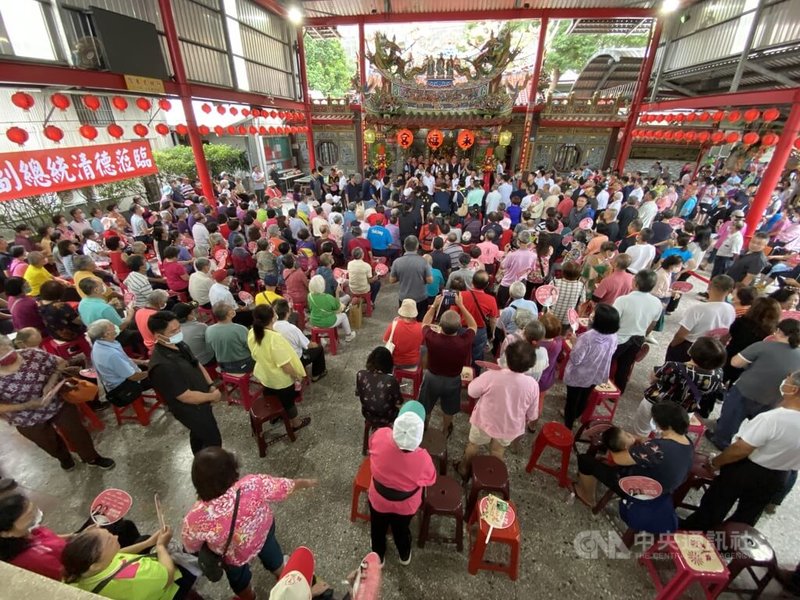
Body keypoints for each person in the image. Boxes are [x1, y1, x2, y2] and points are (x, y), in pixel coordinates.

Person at [182, 447, 317, 600]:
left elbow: (190, 546)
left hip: (233, 555)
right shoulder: (253, 484)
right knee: (274, 557)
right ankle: (284, 582)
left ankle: (249, 597)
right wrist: (303, 483)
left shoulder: (194, 518)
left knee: (239, 580)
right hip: (262, 534)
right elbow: (283, 487)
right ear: (232, 470)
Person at [681, 370, 800, 531]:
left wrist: (715, 462)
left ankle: (693, 533)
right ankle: (724, 545)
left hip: (746, 470)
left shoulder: (774, 419)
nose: (784, 380)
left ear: (794, 390)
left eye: (788, 379)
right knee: (747, 515)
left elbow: (741, 449)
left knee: (716, 504)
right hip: (778, 476)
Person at [0, 335, 114, 470]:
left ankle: (92, 457)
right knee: (48, 442)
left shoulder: (31, 354)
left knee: (77, 431)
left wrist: (51, 381)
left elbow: (60, 362)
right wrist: (27, 405)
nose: (4, 353)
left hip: (56, 401)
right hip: (24, 416)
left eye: (4, 347)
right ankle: (64, 458)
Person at [573, 402, 694, 507]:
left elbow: (619, 459)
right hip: (662, 491)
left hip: (640, 491)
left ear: (666, 425)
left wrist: (610, 442)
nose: (654, 424)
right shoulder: (687, 442)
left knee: (585, 461)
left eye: (656, 421)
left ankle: (588, 498)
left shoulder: (657, 449)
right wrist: (634, 438)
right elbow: (649, 443)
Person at [709, 318, 800, 449]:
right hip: (775, 398)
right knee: (758, 424)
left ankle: (721, 441)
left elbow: (735, 362)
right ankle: (747, 443)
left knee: (731, 417)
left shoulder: (763, 346)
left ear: (779, 331)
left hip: (746, 390)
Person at [367, 400, 437, 564]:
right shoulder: (423, 458)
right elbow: (430, 479)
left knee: (377, 527)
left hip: (378, 498)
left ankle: (378, 555)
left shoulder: (380, 435)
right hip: (406, 505)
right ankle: (404, 554)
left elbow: (371, 448)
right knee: (401, 530)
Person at [458, 341, 540, 477]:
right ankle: (491, 475)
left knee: (473, 445)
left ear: (506, 357)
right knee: (497, 451)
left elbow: (472, 392)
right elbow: (532, 414)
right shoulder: (532, 385)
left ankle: (464, 468)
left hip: (484, 421)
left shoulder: (491, 375)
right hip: (509, 426)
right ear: (530, 366)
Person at [147, 310, 222, 454]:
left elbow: (196, 363)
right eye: (173, 331)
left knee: (198, 434)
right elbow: (184, 396)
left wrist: (211, 385)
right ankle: (212, 469)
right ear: (158, 336)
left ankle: (198, 454)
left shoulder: (179, 344)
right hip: (191, 410)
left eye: (179, 328)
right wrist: (212, 397)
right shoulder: (162, 365)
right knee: (213, 440)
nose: (178, 333)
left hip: (203, 400)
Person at [62, 523, 195, 599]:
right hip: (168, 591)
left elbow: (117, 554)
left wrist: (148, 543)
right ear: (95, 566)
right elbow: (168, 574)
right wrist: (160, 546)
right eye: (109, 540)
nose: (116, 537)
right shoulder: (138, 576)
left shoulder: (76, 575)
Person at [633, 336, 726, 438]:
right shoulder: (718, 375)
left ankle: (638, 447)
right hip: (684, 411)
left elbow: (653, 378)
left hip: (656, 403)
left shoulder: (674, 367)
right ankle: (656, 446)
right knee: (666, 434)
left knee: (641, 431)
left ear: (692, 351)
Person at [419, 293, 477, 436]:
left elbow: (425, 324)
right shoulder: (464, 341)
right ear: (458, 327)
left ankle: (424, 426)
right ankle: (445, 430)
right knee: (449, 409)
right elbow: (473, 325)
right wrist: (461, 306)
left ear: (440, 325)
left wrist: (434, 306)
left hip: (432, 377)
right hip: (453, 380)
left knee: (426, 405)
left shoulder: (433, 338)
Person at [248, 304, 310, 432]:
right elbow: (285, 365)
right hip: (280, 379)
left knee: (270, 394)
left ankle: (275, 415)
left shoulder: (252, 332)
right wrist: (296, 375)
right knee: (289, 401)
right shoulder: (274, 339)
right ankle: (295, 423)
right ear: (273, 318)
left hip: (265, 375)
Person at [563, 304, 620, 428]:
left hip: (578, 375)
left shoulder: (587, 338)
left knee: (572, 401)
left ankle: (568, 425)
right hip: (596, 373)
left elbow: (576, 359)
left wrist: (574, 342)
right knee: (584, 397)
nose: (591, 315)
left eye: (594, 314)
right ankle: (576, 416)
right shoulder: (613, 336)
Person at [612, 270, 663, 393]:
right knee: (625, 366)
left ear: (635, 283)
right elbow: (653, 323)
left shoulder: (623, 300)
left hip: (618, 338)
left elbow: (612, 320)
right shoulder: (657, 303)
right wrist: (643, 334)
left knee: (606, 362)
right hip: (638, 339)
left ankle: (598, 387)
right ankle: (618, 391)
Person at [665, 274, 735, 362]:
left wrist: (673, 345)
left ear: (709, 286)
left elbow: (681, 335)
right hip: (711, 349)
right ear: (730, 291)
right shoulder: (731, 309)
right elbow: (726, 335)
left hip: (689, 347)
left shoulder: (697, 309)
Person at [723, 297, 782, 384]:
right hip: (751, 363)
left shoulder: (740, 321)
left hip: (731, 356)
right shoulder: (774, 332)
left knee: (722, 378)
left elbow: (726, 338)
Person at [272, 299, 326, 381]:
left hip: (281, 357)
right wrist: (315, 345)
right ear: (288, 312)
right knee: (319, 349)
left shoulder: (272, 326)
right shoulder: (292, 328)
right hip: (296, 359)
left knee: (306, 337)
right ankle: (317, 374)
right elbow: (309, 346)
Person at [357, 346, 403, 428]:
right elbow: (399, 401)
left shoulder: (360, 374)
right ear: (389, 364)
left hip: (368, 414)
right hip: (387, 417)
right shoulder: (390, 380)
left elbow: (358, 393)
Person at [389, 236, 433, 319]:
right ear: (417, 246)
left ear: (404, 246)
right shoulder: (423, 261)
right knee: (420, 322)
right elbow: (430, 280)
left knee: (405, 322)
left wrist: (401, 276)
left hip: (404, 298)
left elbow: (391, 280)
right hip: (420, 298)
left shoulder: (397, 262)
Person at [205, 302, 254, 374]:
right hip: (244, 364)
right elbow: (251, 347)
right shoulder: (240, 329)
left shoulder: (209, 330)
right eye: (232, 309)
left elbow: (210, 350)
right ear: (229, 314)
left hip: (223, 365)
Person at [307, 274, 355, 342]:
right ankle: (349, 335)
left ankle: (321, 337)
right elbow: (338, 307)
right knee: (343, 316)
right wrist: (337, 293)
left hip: (314, 321)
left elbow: (311, 308)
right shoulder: (327, 297)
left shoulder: (310, 296)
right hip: (328, 322)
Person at [383, 299, 424, 370]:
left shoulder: (393, 325)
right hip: (414, 362)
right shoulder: (421, 327)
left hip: (396, 362)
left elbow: (385, 340)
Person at [173, 302, 215, 367]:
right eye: (192, 311)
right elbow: (212, 344)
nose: (194, 312)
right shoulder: (201, 326)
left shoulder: (172, 330)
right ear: (189, 316)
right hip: (205, 360)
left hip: (187, 362)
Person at [551, 261, 586, 329]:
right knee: (563, 334)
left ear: (563, 272)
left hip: (552, 315)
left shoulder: (555, 282)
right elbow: (582, 303)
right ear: (578, 275)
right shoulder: (581, 286)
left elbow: (547, 298)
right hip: (568, 318)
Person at [135, 289, 169, 353]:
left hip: (147, 343)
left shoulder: (139, 311)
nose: (165, 304)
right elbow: (165, 336)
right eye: (164, 302)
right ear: (160, 303)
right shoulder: (156, 316)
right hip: (158, 346)